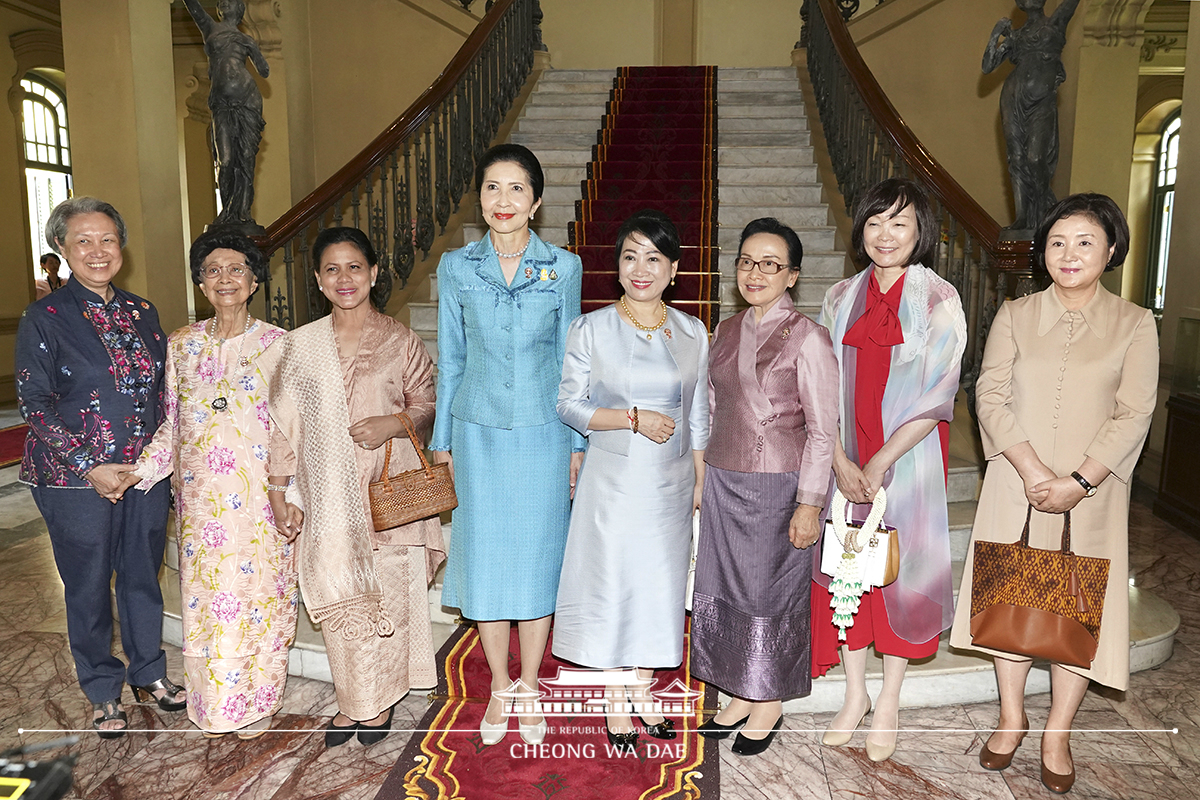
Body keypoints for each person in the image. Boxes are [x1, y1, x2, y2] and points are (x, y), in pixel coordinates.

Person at [949, 194, 1157, 794]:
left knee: (1075, 608)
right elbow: (988, 395)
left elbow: (1134, 411)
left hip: (1092, 495)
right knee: (1010, 602)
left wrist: (1080, 480)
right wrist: (1036, 470)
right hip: (1017, 482)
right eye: (1058, 243)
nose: (1070, 254)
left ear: (1111, 250)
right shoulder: (1014, 314)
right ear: (1042, 253)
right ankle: (1011, 718)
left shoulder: (1135, 323)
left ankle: (1057, 731)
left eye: (1086, 242)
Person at [267, 226, 445, 748]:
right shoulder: (300, 346)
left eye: (354, 267)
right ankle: (353, 702)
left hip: (387, 493)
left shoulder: (399, 339)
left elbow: (427, 402)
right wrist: (279, 491)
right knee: (343, 597)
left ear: (372, 273)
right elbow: (283, 426)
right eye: (332, 269)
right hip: (327, 498)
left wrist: (393, 424)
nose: (344, 278)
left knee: (386, 596)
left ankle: (377, 705)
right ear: (319, 281)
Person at [15, 197, 185, 738]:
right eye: (83, 240)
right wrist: (91, 465)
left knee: (142, 574)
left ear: (121, 246)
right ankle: (102, 688)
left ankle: (149, 673)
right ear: (61, 248)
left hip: (142, 475)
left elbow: (164, 394)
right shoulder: (44, 317)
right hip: (72, 478)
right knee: (87, 584)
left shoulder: (143, 311)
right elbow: (33, 404)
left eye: (107, 239)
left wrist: (155, 462)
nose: (97, 250)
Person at [431, 143, 583, 747]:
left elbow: (574, 361)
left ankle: (530, 683)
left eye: (516, 188)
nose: (503, 200)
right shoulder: (456, 266)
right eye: (492, 187)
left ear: (537, 200)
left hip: (545, 434)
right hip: (476, 433)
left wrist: (578, 442)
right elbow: (451, 356)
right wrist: (442, 440)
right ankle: (499, 684)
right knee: (488, 561)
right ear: (480, 197)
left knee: (539, 558)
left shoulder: (562, 267)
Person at [812, 178, 966, 762]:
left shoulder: (938, 301)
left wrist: (878, 461)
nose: (885, 234)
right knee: (849, 567)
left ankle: (891, 700)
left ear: (920, 232)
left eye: (899, 223)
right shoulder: (839, 296)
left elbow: (937, 393)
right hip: (847, 455)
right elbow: (819, 387)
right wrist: (839, 459)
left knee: (900, 574)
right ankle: (854, 695)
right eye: (875, 222)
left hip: (907, 456)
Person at [128, 229, 297, 738]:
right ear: (201, 284)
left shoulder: (280, 346)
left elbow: (294, 429)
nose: (225, 279)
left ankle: (259, 700)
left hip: (260, 498)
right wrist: (140, 472)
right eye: (212, 271)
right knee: (210, 602)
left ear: (254, 281)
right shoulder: (182, 345)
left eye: (237, 269)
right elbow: (172, 424)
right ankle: (218, 705)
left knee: (261, 598)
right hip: (202, 505)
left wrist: (288, 493)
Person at [554, 210, 709, 753]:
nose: (640, 269)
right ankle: (616, 704)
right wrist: (632, 417)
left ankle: (643, 691)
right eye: (629, 256)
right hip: (615, 479)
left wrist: (699, 478)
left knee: (659, 587)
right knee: (616, 584)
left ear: (673, 270)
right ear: (616, 264)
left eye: (653, 258)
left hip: (670, 484)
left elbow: (698, 414)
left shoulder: (692, 331)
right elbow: (569, 405)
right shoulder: (592, 328)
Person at [691, 217, 839, 756]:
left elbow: (824, 431)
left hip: (779, 486)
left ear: (792, 275)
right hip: (724, 480)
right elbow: (709, 410)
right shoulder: (725, 331)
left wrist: (810, 504)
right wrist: (701, 477)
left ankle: (768, 699)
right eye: (747, 262)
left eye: (771, 264)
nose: (756, 273)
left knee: (768, 596)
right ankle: (736, 690)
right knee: (723, 590)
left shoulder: (809, 338)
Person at [983, 0, 1081, 230]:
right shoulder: (1015, 36)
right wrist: (996, 34)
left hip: (1041, 102)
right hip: (1012, 98)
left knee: (1036, 159)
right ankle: (1023, 218)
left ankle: (1044, 213)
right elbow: (988, 66)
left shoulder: (1055, 23)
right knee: (1016, 159)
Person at [183, 0, 269, 229]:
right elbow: (194, 7)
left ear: (239, 10)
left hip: (247, 101)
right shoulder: (210, 28)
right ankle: (227, 213)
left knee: (246, 159)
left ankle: (242, 212)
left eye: (229, 2)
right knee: (226, 160)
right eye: (222, 2)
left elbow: (264, 70)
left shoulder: (246, 39)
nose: (224, 4)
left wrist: (252, 49)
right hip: (221, 105)